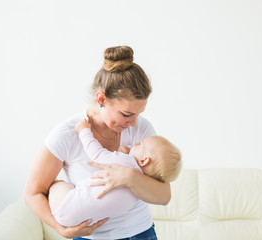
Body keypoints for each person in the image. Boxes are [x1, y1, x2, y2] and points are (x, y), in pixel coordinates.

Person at [24, 46, 174, 240]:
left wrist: (129, 177)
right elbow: (33, 193)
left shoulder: (142, 129)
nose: (134, 123)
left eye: (138, 114)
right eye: (126, 114)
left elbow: (164, 196)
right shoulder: (67, 134)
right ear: (101, 99)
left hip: (141, 233)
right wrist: (60, 229)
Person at [48, 118, 182, 227]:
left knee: (56, 184)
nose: (135, 144)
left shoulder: (125, 164)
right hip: (78, 220)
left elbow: (97, 153)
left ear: (144, 160)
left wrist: (84, 131)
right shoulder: (139, 192)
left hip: (64, 205)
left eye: (139, 144)